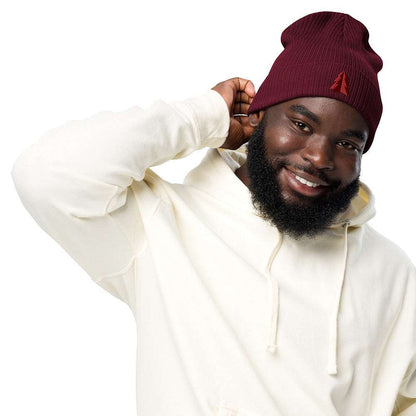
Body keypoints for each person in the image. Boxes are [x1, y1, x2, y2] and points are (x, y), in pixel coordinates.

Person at [11, 11, 416, 416]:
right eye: (300, 124)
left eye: (348, 144)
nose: (318, 157)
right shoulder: (162, 225)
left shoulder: (393, 273)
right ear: (257, 115)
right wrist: (204, 116)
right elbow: (45, 173)